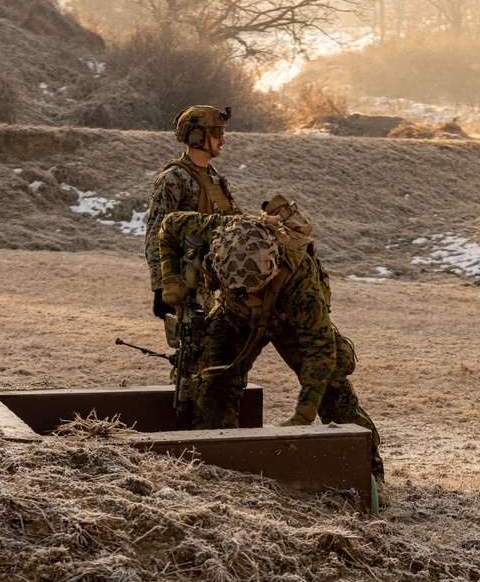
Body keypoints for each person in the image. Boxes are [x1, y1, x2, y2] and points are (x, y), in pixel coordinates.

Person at [158, 208, 387, 504]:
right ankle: (221, 470)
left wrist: (302, 415)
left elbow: (319, 349)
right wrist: (170, 278)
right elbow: (168, 226)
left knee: (332, 387)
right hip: (234, 316)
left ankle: (371, 475)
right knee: (211, 384)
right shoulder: (218, 228)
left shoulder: (299, 277)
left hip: (287, 320)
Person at [144, 105, 241, 319]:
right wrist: (161, 288)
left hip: (215, 284)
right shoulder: (174, 178)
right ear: (197, 136)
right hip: (186, 286)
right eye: (217, 133)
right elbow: (155, 234)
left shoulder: (217, 180)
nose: (222, 139)